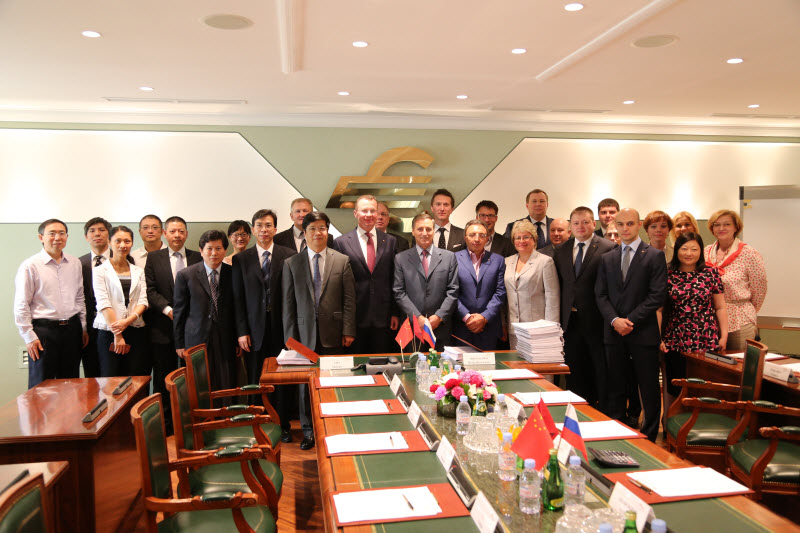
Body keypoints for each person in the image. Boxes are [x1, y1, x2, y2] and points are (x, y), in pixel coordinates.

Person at [283, 212, 356, 449]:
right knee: (305, 387)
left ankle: (333, 428)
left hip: (334, 333)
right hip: (303, 336)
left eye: (322, 228)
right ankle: (309, 432)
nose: (318, 232)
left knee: (333, 382)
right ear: (304, 233)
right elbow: (288, 305)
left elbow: (349, 300)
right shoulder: (292, 263)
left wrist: (348, 330)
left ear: (328, 231)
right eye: (312, 228)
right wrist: (290, 339)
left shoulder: (341, 260)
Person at [595, 208, 667, 442]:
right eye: (620, 224)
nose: (625, 228)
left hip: (643, 333)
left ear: (639, 225)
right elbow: (600, 295)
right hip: (613, 333)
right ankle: (618, 433)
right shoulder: (607, 258)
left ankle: (649, 437)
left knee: (648, 388)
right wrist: (615, 320)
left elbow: (657, 295)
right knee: (616, 386)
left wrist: (630, 320)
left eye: (630, 224)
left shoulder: (654, 256)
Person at [232, 210, 296, 442]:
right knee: (256, 378)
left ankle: (282, 425)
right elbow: (238, 298)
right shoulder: (241, 259)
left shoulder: (289, 255)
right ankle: (257, 425)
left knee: (282, 378)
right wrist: (242, 331)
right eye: (259, 225)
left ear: (275, 229)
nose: (264, 230)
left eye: (268, 225)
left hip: (281, 328)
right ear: (253, 229)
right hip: (253, 329)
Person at [553, 207, 617, 413]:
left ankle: (603, 412)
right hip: (570, 321)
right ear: (570, 227)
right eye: (576, 223)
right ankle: (578, 412)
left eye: (585, 222)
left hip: (597, 319)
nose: (580, 226)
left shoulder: (608, 247)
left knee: (600, 369)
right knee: (575, 369)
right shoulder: (561, 250)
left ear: (594, 224)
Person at [14, 219, 88, 389]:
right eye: (52, 233)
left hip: (72, 329)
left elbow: (79, 297)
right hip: (44, 332)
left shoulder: (74, 263)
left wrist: (83, 327)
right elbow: (21, 304)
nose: (57, 237)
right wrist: (29, 336)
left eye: (62, 233)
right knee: (41, 386)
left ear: (67, 237)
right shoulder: (30, 265)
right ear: (41, 237)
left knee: (70, 383)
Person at [658, 232, 727, 411]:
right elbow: (658, 310)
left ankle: (701, 423)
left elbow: (720, 307)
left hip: (706, 339)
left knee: (704, 388)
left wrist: (724, 335)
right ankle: (675, 424)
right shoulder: (667, 274)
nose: (689, 253)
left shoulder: (711, 273)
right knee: (676, 387)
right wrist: (659, 338)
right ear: (677, 251)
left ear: (700, 251)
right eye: (684, 248)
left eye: (694, 249)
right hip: (676, 339)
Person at [145, 216, 202, 433]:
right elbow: (150, 290)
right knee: (163, 378)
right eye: (172, 231)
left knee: (192, 378)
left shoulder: (198, 256)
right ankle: (167, 424)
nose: (177, 235)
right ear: (165, 234)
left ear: (186, 233)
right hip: (162, 328)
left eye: (181, 231)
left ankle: (191, 422)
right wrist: (169, 310)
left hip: (192, 328)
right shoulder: (154, 258)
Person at [174, 230, 238, 404]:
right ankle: (203, 417)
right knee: (199, 382)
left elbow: (238, 308)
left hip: (225, 336)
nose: (213, 253)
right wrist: (179, 343)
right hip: (197, 337)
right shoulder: (186, 275)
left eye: (218, 248)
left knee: (226, 381)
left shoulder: (233, 273)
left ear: (225, 250)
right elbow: (179, 312)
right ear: (201, 250)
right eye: (209, 248)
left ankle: (226, 416)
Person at [335, 195, 399, 354]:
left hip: (383, 318)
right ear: (355, 213)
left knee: (382, 363)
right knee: (356, 364)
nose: (369, 215)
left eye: (372, 211)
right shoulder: (341, 242)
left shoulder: (390, 241)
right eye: (364, 211)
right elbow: (338, 286)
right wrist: (345, 324)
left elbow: (394, 279)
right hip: (355, 319)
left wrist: (395, 313)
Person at [394, 212, 459, 350]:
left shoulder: (449, 257)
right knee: (412, 363)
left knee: (441, 363)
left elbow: (453, 291)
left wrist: (439, 316)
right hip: (412, 327)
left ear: (434, 231)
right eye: (420, 229)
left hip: (440, 327)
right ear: (413, 231)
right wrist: (417, 317)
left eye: (428, 229)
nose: (424, 233)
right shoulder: (401, 258)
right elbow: (399, 292)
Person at [704, 209, 767, 351]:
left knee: (739, 361)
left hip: (739, 319)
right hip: (710, 319)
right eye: (717, 224)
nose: (721, 228)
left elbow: (759, 289)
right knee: (712, 362)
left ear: (736, 227)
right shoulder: (705, 252)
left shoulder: (749, 253)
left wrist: (747, 309)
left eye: (727, 224)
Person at [93, 226, 150, 377]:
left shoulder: (138, 271)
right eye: (117, 241)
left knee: (135, 377)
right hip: (109, 331)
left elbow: (143, 301)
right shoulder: (99, 271)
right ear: (109, 242)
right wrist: (118, 334)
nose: (122, 245)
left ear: (132, 243)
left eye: (127, 241)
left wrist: (127, 321)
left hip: (135, 329)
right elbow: (103, 303)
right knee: (111, 378)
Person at [504, 220, 560, 349]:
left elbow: (552, 297)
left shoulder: (545, 262)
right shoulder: (507, 262)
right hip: (513, 327)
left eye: (526, 237)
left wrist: (550, 328)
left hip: (537, 328)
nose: (521, 241)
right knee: (516, 361)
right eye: (517, 238)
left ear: (534, 239)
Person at [453, 220, 507, 350]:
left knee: (489, 363)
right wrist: (467, 317)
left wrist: (484, 317)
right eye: (472, 235)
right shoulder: (453, 258)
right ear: (465, 237)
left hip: (488, 327)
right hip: (461, 326)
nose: (477, 239)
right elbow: (450, 291)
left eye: (482, 235)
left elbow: (500, 292)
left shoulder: (498, 260)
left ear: (487, 239)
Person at [79, 217, 112, 378]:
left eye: (101, 230)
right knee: (91, 371)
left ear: (109, 234)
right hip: (90, 326)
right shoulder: (79, 263)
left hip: (114, 323)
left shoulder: (122, 258)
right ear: (86, 237)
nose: (97, 234)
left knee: (114, 372)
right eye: (92, 231)